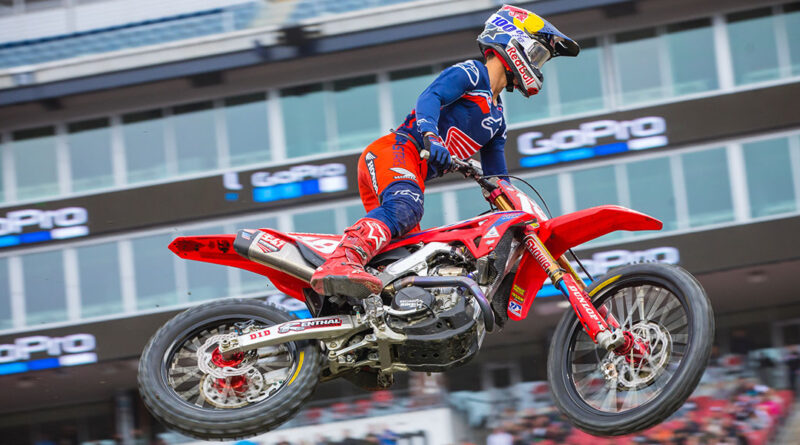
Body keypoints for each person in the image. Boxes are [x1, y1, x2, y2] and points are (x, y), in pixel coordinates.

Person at [310, 5, 579, 298]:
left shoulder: (497, 122)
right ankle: (340, 261)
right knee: (406, 207)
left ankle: (356, 305)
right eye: (537, 55)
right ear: (513, 43)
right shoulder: (472, 74)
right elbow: (431, 96)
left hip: (407, 170)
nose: (537, 66)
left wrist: (522, 220)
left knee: (408, 261)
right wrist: (431, 136)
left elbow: (500, 182)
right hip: (396, 151)